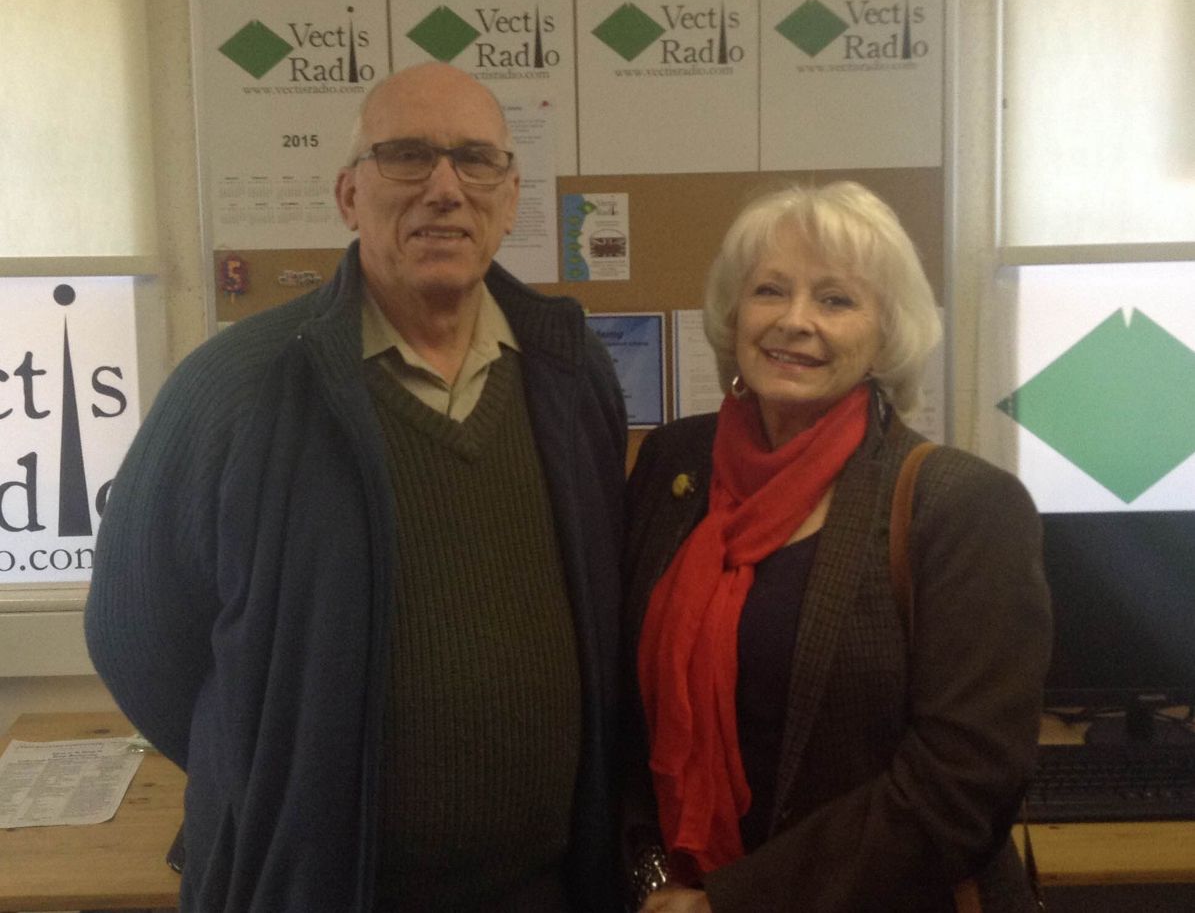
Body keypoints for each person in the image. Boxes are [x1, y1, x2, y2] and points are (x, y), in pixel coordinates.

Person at [85, 62, 628, 913]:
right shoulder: (236, 387)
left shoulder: (570, 371)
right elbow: (135, 635)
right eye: (407, 155)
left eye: (475, 159)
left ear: (509, 196)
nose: (444, 187)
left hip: (546, 890)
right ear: (348, 195)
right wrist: (266, 774)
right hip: (315, 892)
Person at [621, 181, 1051, 913]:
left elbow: (962, 784)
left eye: (835, 299)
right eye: (769, 290)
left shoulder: (960, 505)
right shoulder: (673, 466)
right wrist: (653, 876)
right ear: (734, 313)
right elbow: (624, 710)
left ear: (885, 336)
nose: (794, 321)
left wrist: (730, 902)